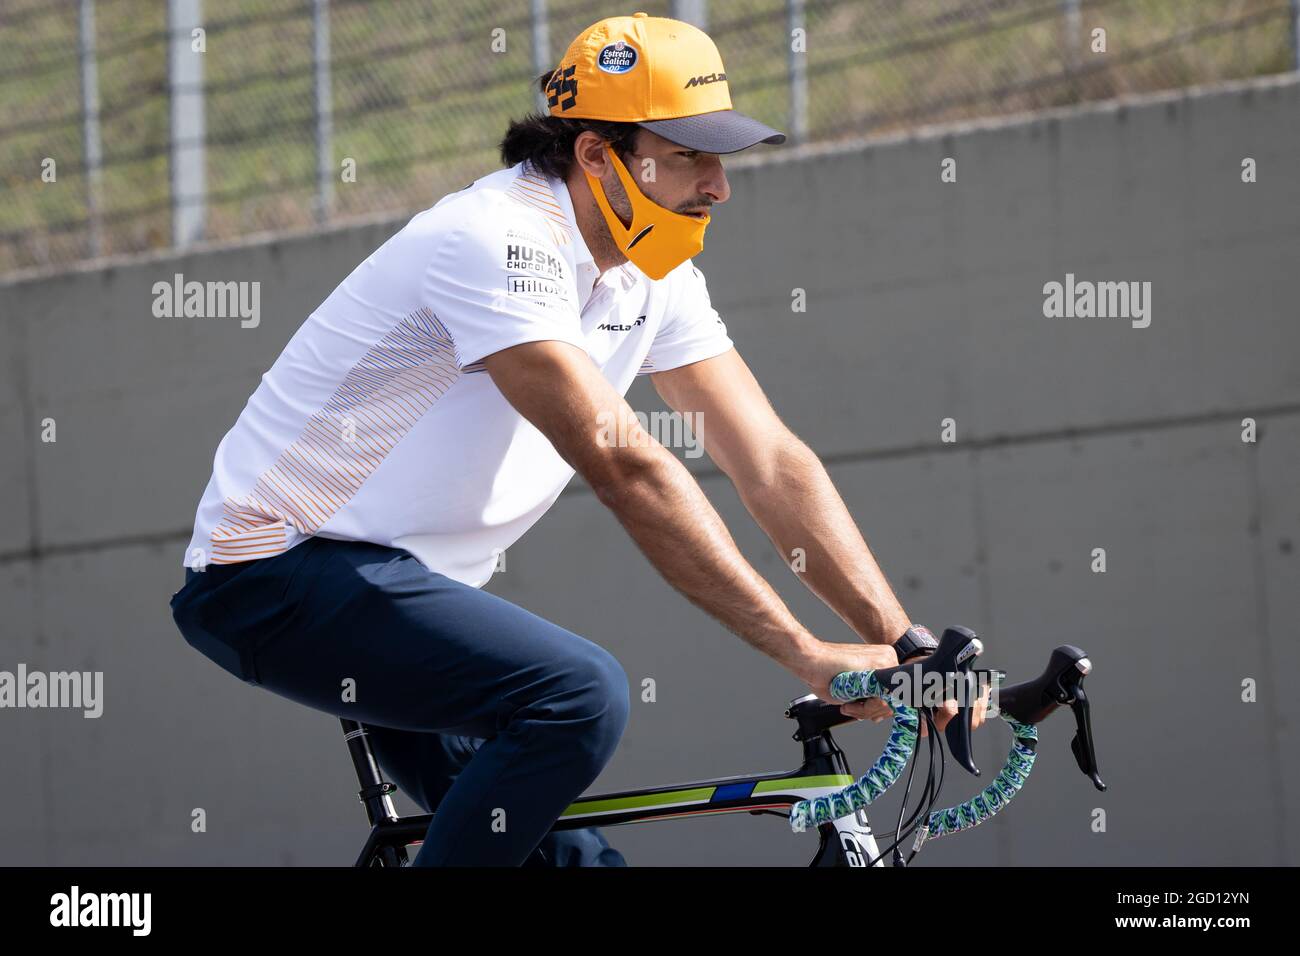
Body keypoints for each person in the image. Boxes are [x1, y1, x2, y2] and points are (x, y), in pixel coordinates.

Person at [169, 11, 987, 867]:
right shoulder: (497, 241)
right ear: (597, 154)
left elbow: (768, 459)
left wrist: (905, 646)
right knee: (578, 695)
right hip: (272, 573)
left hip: (405, 592)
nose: (718, 185)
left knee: (576, 865)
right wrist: (809, 655)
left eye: (721, 157)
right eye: (687, 157)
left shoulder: (651, 273)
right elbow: (625, 465)